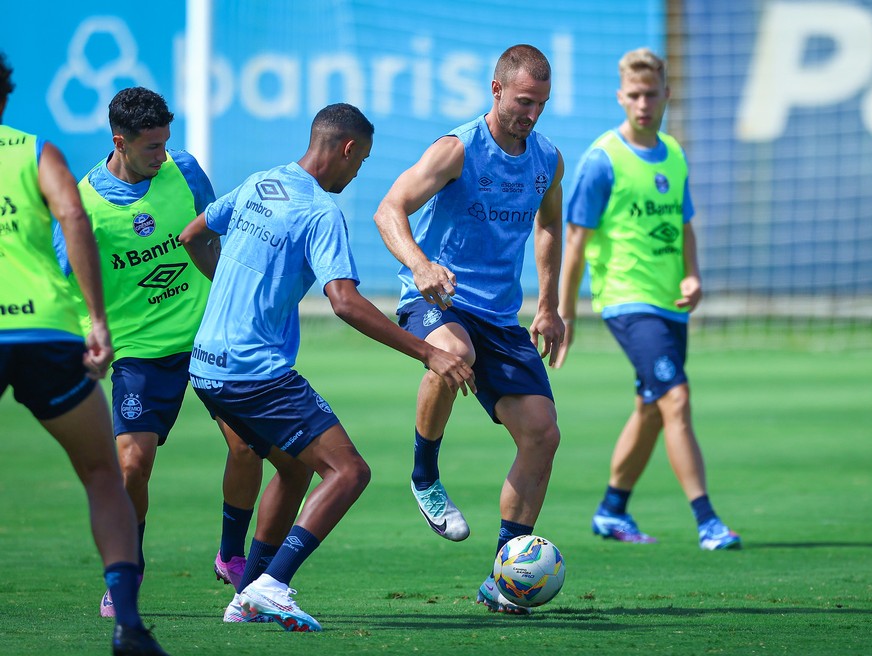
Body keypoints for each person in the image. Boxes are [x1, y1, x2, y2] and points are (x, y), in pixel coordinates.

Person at [179, 102, 476, 631]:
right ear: (347, 149)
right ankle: (273, 586)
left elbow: (193, 235)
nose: (358, 172)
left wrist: (234, 288)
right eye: (361, 162)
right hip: (254, 370)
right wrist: (429, 351)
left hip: (206, 364)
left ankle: (247, 593)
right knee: (349, 471)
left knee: (293, 470)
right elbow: (344, 302)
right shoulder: (319, 211)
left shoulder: (260, 183)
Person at [53, 87, 264, 616]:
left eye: (167, 142)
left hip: (207, 336)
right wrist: (84, 339)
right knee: (133, 463)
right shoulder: (84, 208)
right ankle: (128, 569)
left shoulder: (184, 169)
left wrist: (235, 303)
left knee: (248, 448)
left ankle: (231, 556)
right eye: (152, 147)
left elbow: (213, 238)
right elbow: (63, 285)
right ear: (119, 142)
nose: (163, 154)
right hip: (139, 353)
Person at [373, 44, 565, 614]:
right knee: (451, 353)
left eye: (541, 105)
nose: (531, 115)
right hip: (439, 297)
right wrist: (420, 265)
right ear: (497, 90)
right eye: (524, 102)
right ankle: (424, 474)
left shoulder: (548, 159)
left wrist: (549, 305)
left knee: (542, 433)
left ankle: (506, 576)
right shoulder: (457, 148)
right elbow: (389, 208)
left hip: (501, 316)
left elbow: (550, 225)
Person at [0, 52, 167, 656]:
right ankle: (128, 624)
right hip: (45, 330)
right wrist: (96, 320)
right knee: (103, 475)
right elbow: (72, 213)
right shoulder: (33, 152)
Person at [555, 48, 740, 550]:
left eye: (650, 94)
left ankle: (612, 510)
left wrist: (693, 275)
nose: (642, 103)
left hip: (669, 303)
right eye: (633, 95)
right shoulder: (603, 159)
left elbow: (684, 226)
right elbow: (575, 240)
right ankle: (707, 521)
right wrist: (562, 312)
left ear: (666, 96)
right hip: (625, 299)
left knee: (653, 406)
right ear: (621, 97)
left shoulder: (674, 154)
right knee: (676, 398)